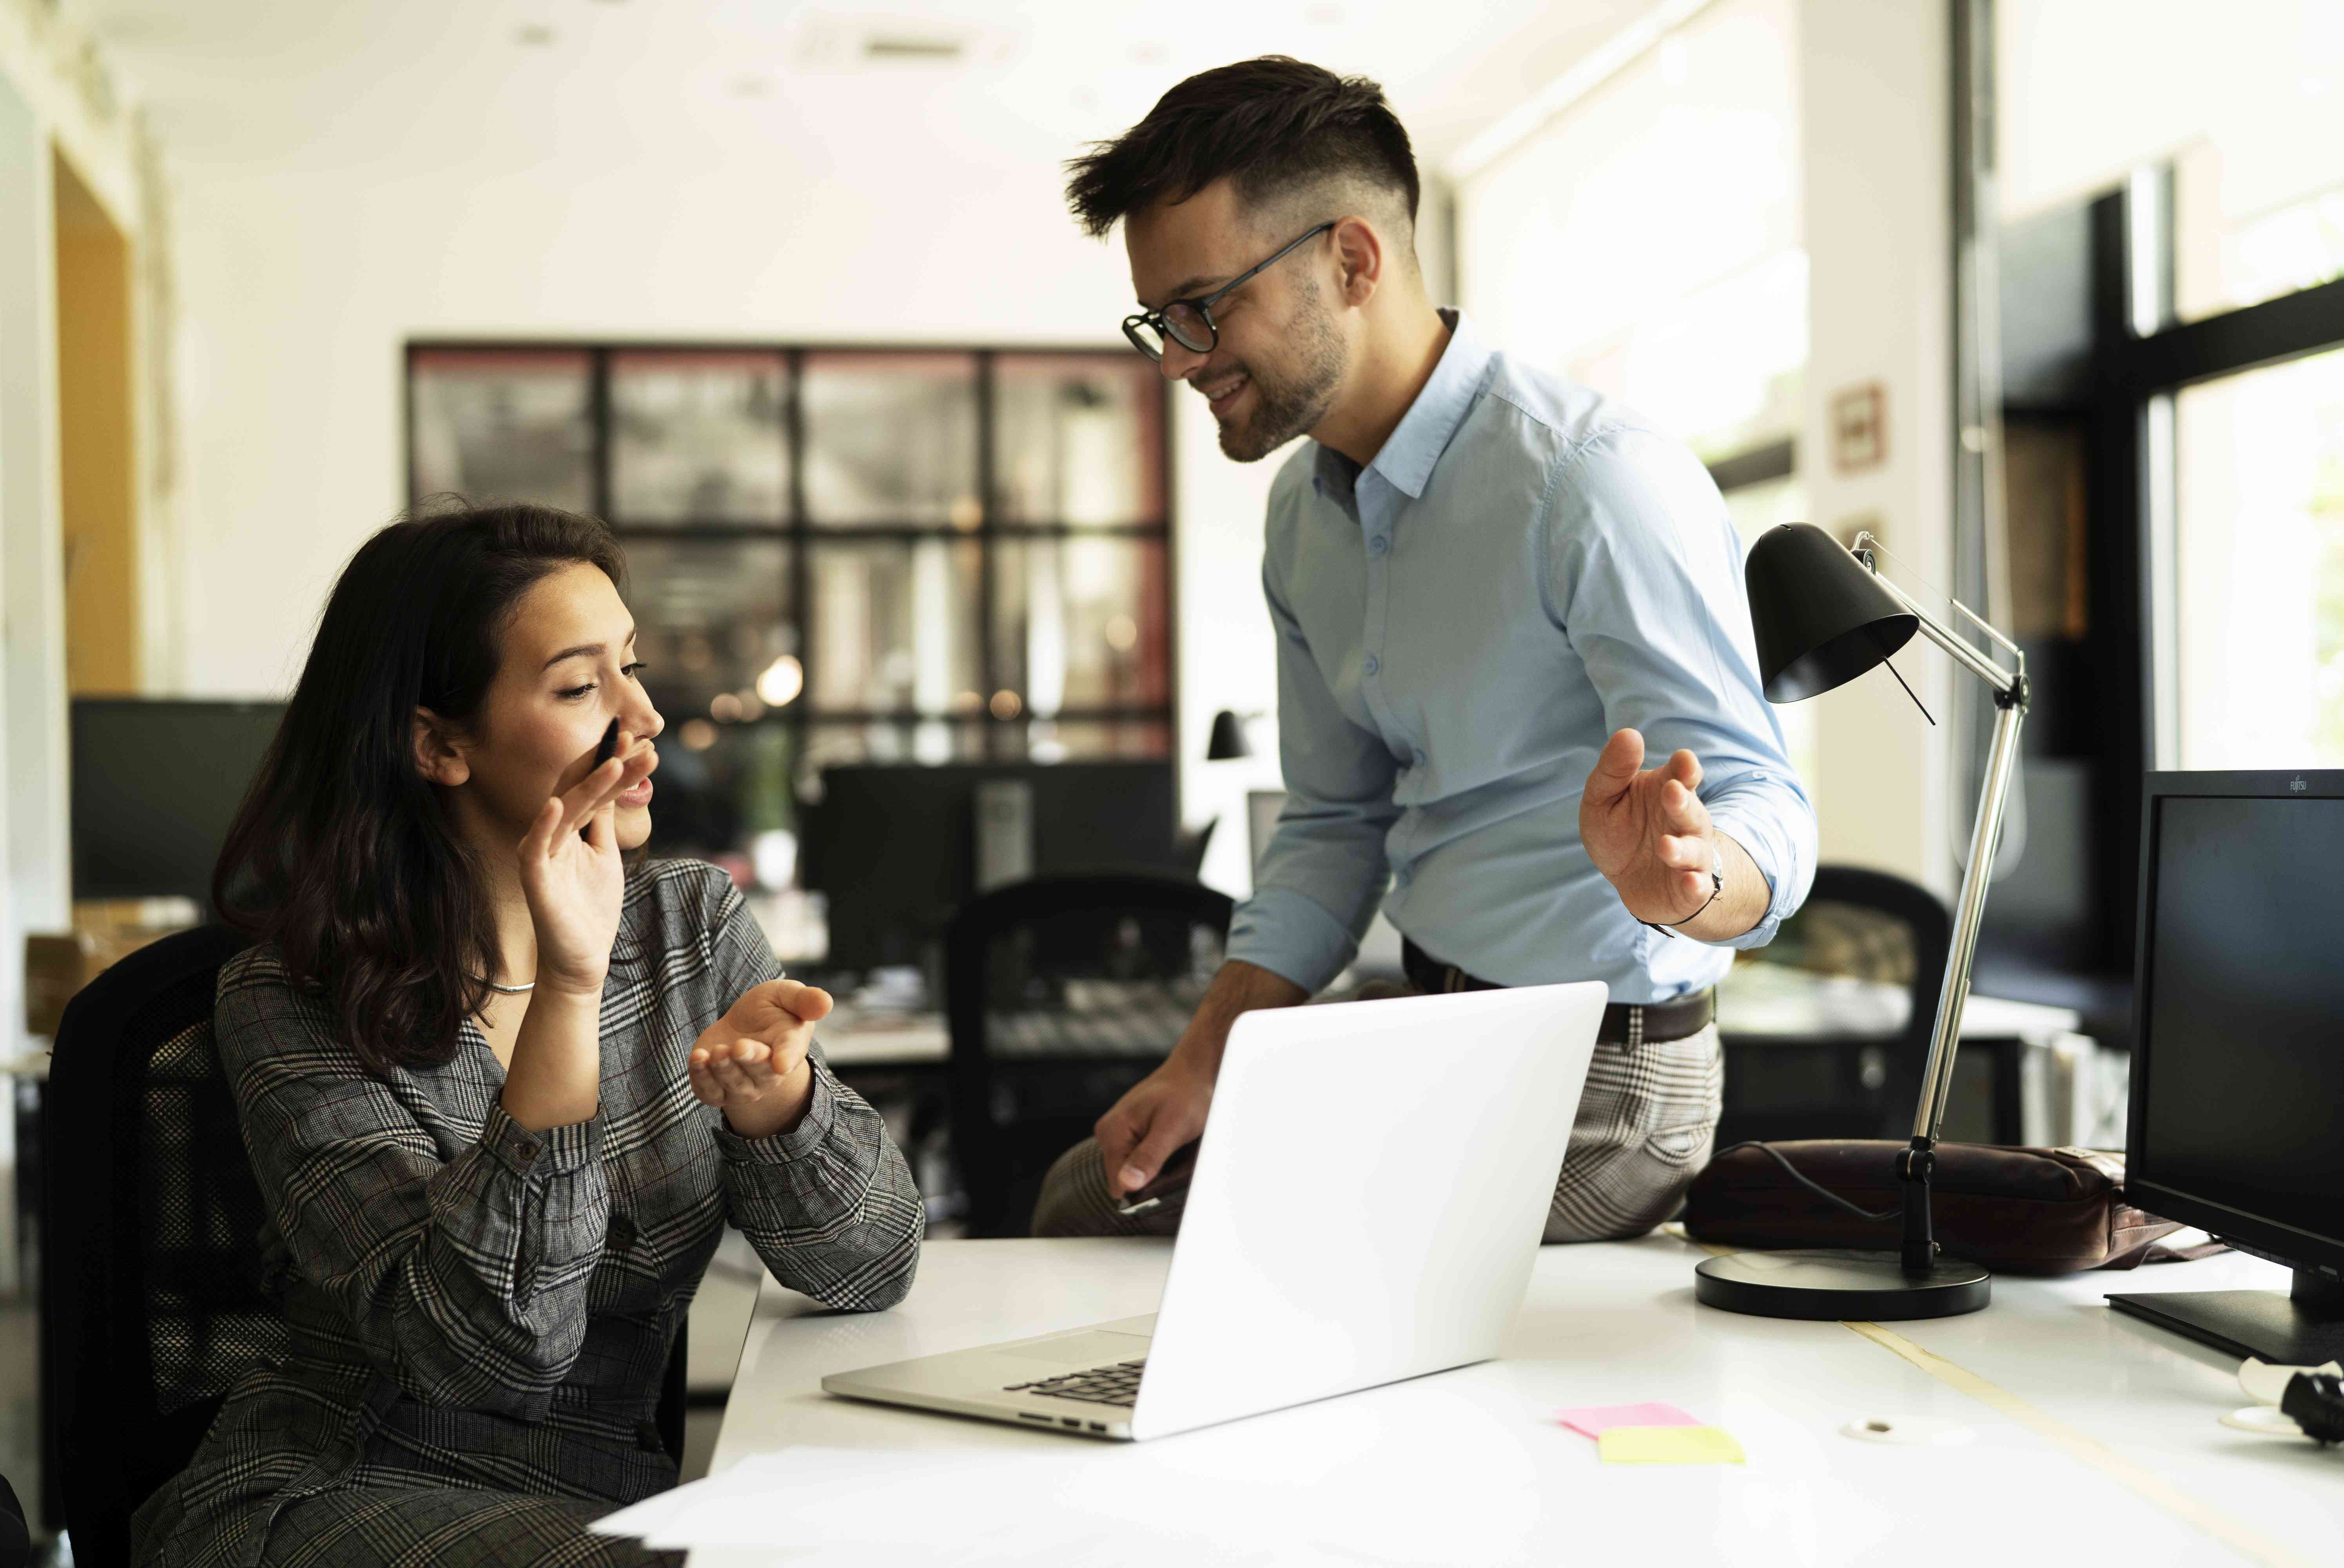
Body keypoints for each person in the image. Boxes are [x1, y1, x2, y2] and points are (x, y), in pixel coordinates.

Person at [1032, 58, 1816, 1243]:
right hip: (1427, 1038)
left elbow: (1762, 800)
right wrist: (1202, 1063)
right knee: (1083, 1205)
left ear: (1353, 261)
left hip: (1608, 1085)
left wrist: (1694, 880)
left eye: (1207, 307)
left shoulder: (1589, 480)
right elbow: (1334, 826)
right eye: (1162, 321)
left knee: (1249, 1268)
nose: (1179, 360)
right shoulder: (1305, 514)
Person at [133, 503, 923, 1567]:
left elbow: (872, 1268)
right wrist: (568, 986)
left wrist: (778, 1109)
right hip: (343, 1490)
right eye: (578, 686)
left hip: (605, 1502)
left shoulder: (689, 927)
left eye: (632, 667)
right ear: (439, 745)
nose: (641, 717)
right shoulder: (290, 997)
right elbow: (490, 1357)